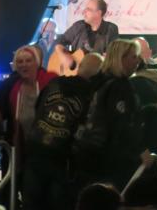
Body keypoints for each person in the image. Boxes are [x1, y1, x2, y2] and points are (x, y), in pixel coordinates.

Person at [24, 53, 103, 210]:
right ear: (98, 75)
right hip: (62, 159)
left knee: (31, 203)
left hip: (36, 151)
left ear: (80, 66)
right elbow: (87, 129)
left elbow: (37, 108)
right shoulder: (90, 96)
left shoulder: (55, 83)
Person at [74, 39, 146, 190]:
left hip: (90, 154)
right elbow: (122, 124)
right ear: (121, 58)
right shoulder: (120, 87)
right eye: (134, 57)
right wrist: (138, 152)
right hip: (113, 159)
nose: (138, 61)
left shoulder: (98, 82)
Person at [8, 45, 56, 157]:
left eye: (28, 60)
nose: (24, 65)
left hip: (51, 149)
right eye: (20, 62)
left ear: (37, 63)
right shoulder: (15, 91)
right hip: (28, 150)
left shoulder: (51, 81)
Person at [54, 0, 119, 72]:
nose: (84, 12)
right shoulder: (79, 26)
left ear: (98, 13)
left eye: (88, 9)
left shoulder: (110, 29)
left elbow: (112, 56)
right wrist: (62, 54)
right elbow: (60, 40)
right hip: (75, 75)